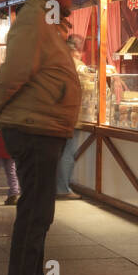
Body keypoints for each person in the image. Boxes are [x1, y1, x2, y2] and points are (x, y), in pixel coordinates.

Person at [0, 0, 80, 275]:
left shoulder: (49, 20)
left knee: (40, 214)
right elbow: (15, 71)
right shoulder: (35, 18)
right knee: (33, 215)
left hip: (45, 127)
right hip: (32, 127)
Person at [54, 35, 84, 200]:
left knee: (59, 151)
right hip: (73, 116)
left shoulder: (56, 65)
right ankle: (62, 188)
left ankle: (57, 186)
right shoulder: (78, 67)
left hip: (57, 115)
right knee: (68, 152)